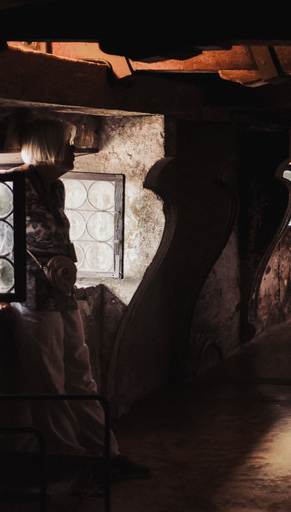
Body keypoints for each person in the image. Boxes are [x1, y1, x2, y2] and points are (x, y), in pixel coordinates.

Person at [8, 118, 150, 478]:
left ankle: (106, 453)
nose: (73, 151)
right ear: (48, 148)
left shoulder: (54, 189)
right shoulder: (11, 187)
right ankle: (69, 459)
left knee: (80, 375)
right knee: (49, 382)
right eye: (67, 145)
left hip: (61, 293)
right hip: (31, 299)